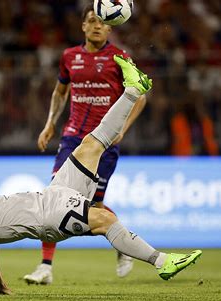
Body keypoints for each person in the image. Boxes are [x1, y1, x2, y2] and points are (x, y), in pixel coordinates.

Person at [0, 55, 202, 299]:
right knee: (105, 219)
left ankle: (133, 90)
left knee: (90, 145)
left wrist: (1, 286)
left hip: (51, 194)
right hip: (48, 217)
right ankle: (162, 262)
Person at [24, 5, 147, 284]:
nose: (96, 26)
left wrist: (122, 129)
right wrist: (49, 123)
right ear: (82, 26)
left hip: (104, 142)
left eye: (101, 22)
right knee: (54, 198)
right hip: (73, 137)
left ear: (110, 28)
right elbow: (60, 92)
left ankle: (123, 243)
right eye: (91, 21)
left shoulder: (120, 58)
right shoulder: (70, 56)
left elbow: (140, 96)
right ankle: (45, 266)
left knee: (94, 205)